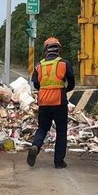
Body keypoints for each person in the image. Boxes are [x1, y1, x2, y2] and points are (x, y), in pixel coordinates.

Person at [28, 37, 76, 169]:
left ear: (46, 50)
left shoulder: (39, 66)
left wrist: (45, 90)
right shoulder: (64, 64)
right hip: (59, 102)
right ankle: (58, 161)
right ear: (59, 49)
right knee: (61, 131)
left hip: (44, 102)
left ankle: (35, 146)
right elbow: (72, 82)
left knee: (43, 128)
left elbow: (36, 84)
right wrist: (64, 90)